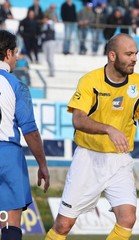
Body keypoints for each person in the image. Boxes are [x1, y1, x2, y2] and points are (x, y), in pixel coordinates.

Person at [45, 33, 139, 240]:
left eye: (136, 53)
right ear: (112, 56)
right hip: (88, 158)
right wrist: (109, 129)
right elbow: (78, 119)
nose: (135, 58)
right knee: (63, 224)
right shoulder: (90, 81)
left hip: (119, 160)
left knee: (128, 218)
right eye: (129, 54)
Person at [0, 29, 50, 240]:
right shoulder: (16, 85)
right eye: (16, 53)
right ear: (9, 53)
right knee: (10, 219)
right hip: (7, 153)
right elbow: (30, 131)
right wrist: (42, 164)